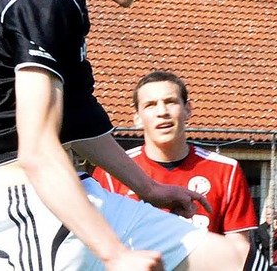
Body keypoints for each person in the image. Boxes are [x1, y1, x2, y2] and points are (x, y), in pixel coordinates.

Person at [0, 0, 269, 271]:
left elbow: (77, 122)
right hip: (27, 202)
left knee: (239, 258)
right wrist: (115, 253)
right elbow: (37, 151)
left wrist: (148, 187)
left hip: (71, 189)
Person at [93, 71, 258, 257]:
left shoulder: (226, 171)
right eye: (150, 105)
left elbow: (239, 250)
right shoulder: (111, 171)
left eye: (170, 102)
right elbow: (95, 242)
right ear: (137, 118)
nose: (162, 112)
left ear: (188, 110)